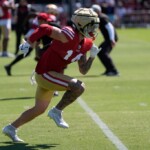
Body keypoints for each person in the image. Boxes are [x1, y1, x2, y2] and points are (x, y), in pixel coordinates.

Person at [2, 7, 100, 142]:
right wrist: (29, 43)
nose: (93, 30)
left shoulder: (86, 43)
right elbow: (44, 28)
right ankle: (57, 111)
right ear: (81, 25)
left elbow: (83, 70)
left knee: (39, 109)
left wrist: (92, 57)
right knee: (79, 86)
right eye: (91, 26)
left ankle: (11, 128)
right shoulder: (69, 35)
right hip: (45, 73)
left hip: (51, 76)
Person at [91, 4, 119, 76]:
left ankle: (114, 71)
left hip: (110, 38)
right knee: (101, 52)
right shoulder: (100, 17)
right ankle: (109, 70)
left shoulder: (102, 17)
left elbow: (110, 27)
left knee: (103, 53)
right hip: (108, 38)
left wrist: (112, 39)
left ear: (97, 11)